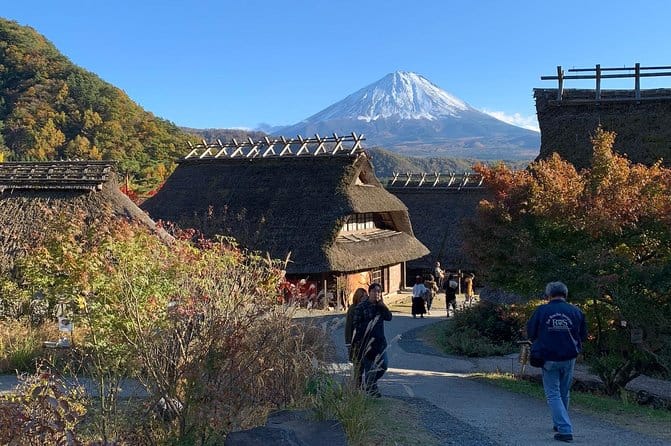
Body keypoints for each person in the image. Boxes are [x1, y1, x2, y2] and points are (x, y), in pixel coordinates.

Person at [527, 281, 588, 443]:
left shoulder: (542, 311)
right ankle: (559, 422)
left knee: (553, 393)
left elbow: (531, 332)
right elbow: (582, 336)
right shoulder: (576, 311)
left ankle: (565, 429)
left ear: (549, 295)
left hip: (548, 357)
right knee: (564, 391)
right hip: (569, 357)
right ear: (565, 294)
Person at [351, 283, 392, 397]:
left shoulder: (380, 306)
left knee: (383, 366)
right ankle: (372, 391)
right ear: (369, 293)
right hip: (366, 344)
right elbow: (356, 324)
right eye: (374, 291)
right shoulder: (361, 307)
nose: (376, 294)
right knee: (370, 368)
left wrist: (382, 305)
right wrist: (368, 325)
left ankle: (368, 384)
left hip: (380, 343)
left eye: (379, 292)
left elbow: (389, 317)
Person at [345, 288, 368, 387]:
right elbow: (348, 326)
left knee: (367, 363)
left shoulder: (368, 307)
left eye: (365, 296)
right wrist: (348, 342)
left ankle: (367, 383)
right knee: (357, 364)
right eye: (362, 296)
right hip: (356, 341)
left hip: (366, 340)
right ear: (358, 297)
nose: (364, 298)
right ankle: (358, 384)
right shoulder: (353, 309)